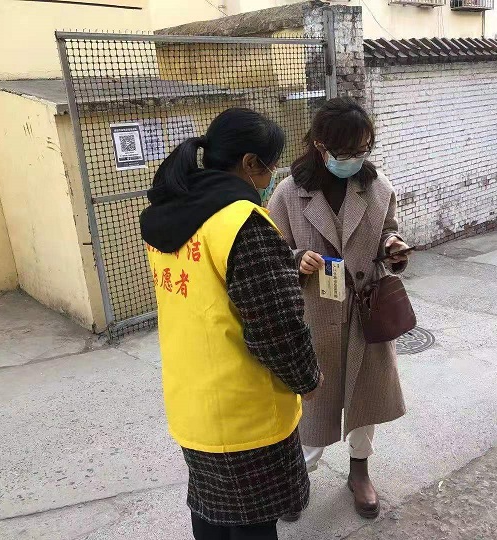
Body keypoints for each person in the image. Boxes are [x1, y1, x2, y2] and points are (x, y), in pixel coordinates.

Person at [140, 108, 322, 540]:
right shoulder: (242, 223)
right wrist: (307, 378)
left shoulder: (173, 215)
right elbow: (275, 327)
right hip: (246, 414)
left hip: (192, 402)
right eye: (270, 165)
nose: (271, 176)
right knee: (252, 523)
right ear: (249, 163)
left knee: (211, 512)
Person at [267, 97, 409, 520]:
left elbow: (387, 234)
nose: (356, 159)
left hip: (366, 309)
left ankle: (359, 473)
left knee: (366, 397)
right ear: (320, 146)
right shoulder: (289, 192)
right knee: (314, 400)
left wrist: (393, 247)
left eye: (364, 149)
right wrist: (296, 260)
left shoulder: (378, 187)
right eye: (346, 151)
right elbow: (272, 250)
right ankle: (298, 477)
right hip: (315, 312)